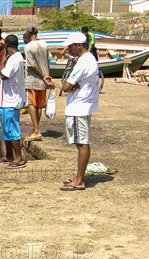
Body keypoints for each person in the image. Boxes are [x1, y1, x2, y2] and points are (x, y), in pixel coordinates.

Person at [60, 32, 99, 191]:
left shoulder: (84, 62)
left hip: (79, 106)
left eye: (70, 46)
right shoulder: (88, 59)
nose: (68, 48)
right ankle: (78, 177)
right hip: (83, 105)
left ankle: (79, 180)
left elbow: (66, 86)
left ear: (79, 45)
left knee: (81, 142)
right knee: (80, 141)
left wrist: (70, 84)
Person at [0, 34, 27, 169]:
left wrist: (2, 64)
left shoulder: (14, 59)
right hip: (6, 99)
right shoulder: (16, 58)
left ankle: (19, 158)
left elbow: (4, 75)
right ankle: (9, 155)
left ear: (7, 47)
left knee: (12, 129)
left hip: (11, 100)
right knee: (5, 129)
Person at [23, 25, 55, 142]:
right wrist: (47, 77)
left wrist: (43, 76)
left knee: (32, 103)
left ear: (27, 34)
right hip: (44, 79)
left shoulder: (28, 47)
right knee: (40, 105)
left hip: (34, 79)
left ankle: (36, 130)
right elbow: (47, 62)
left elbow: (32, 65)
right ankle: (35, 128)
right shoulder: (44, 44)